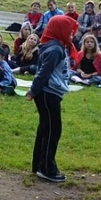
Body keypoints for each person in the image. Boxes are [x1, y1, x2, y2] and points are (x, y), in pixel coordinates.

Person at [28, 14, 74, 183]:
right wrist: (33, 91)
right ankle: (47, 168)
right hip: (48, 94)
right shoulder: (55, 49)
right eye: (69, 30)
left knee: (45, 128)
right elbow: (43, 72)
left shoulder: (53, 46)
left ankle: (38, 165)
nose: (72, 34)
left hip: (49, 93)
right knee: (53, 130)